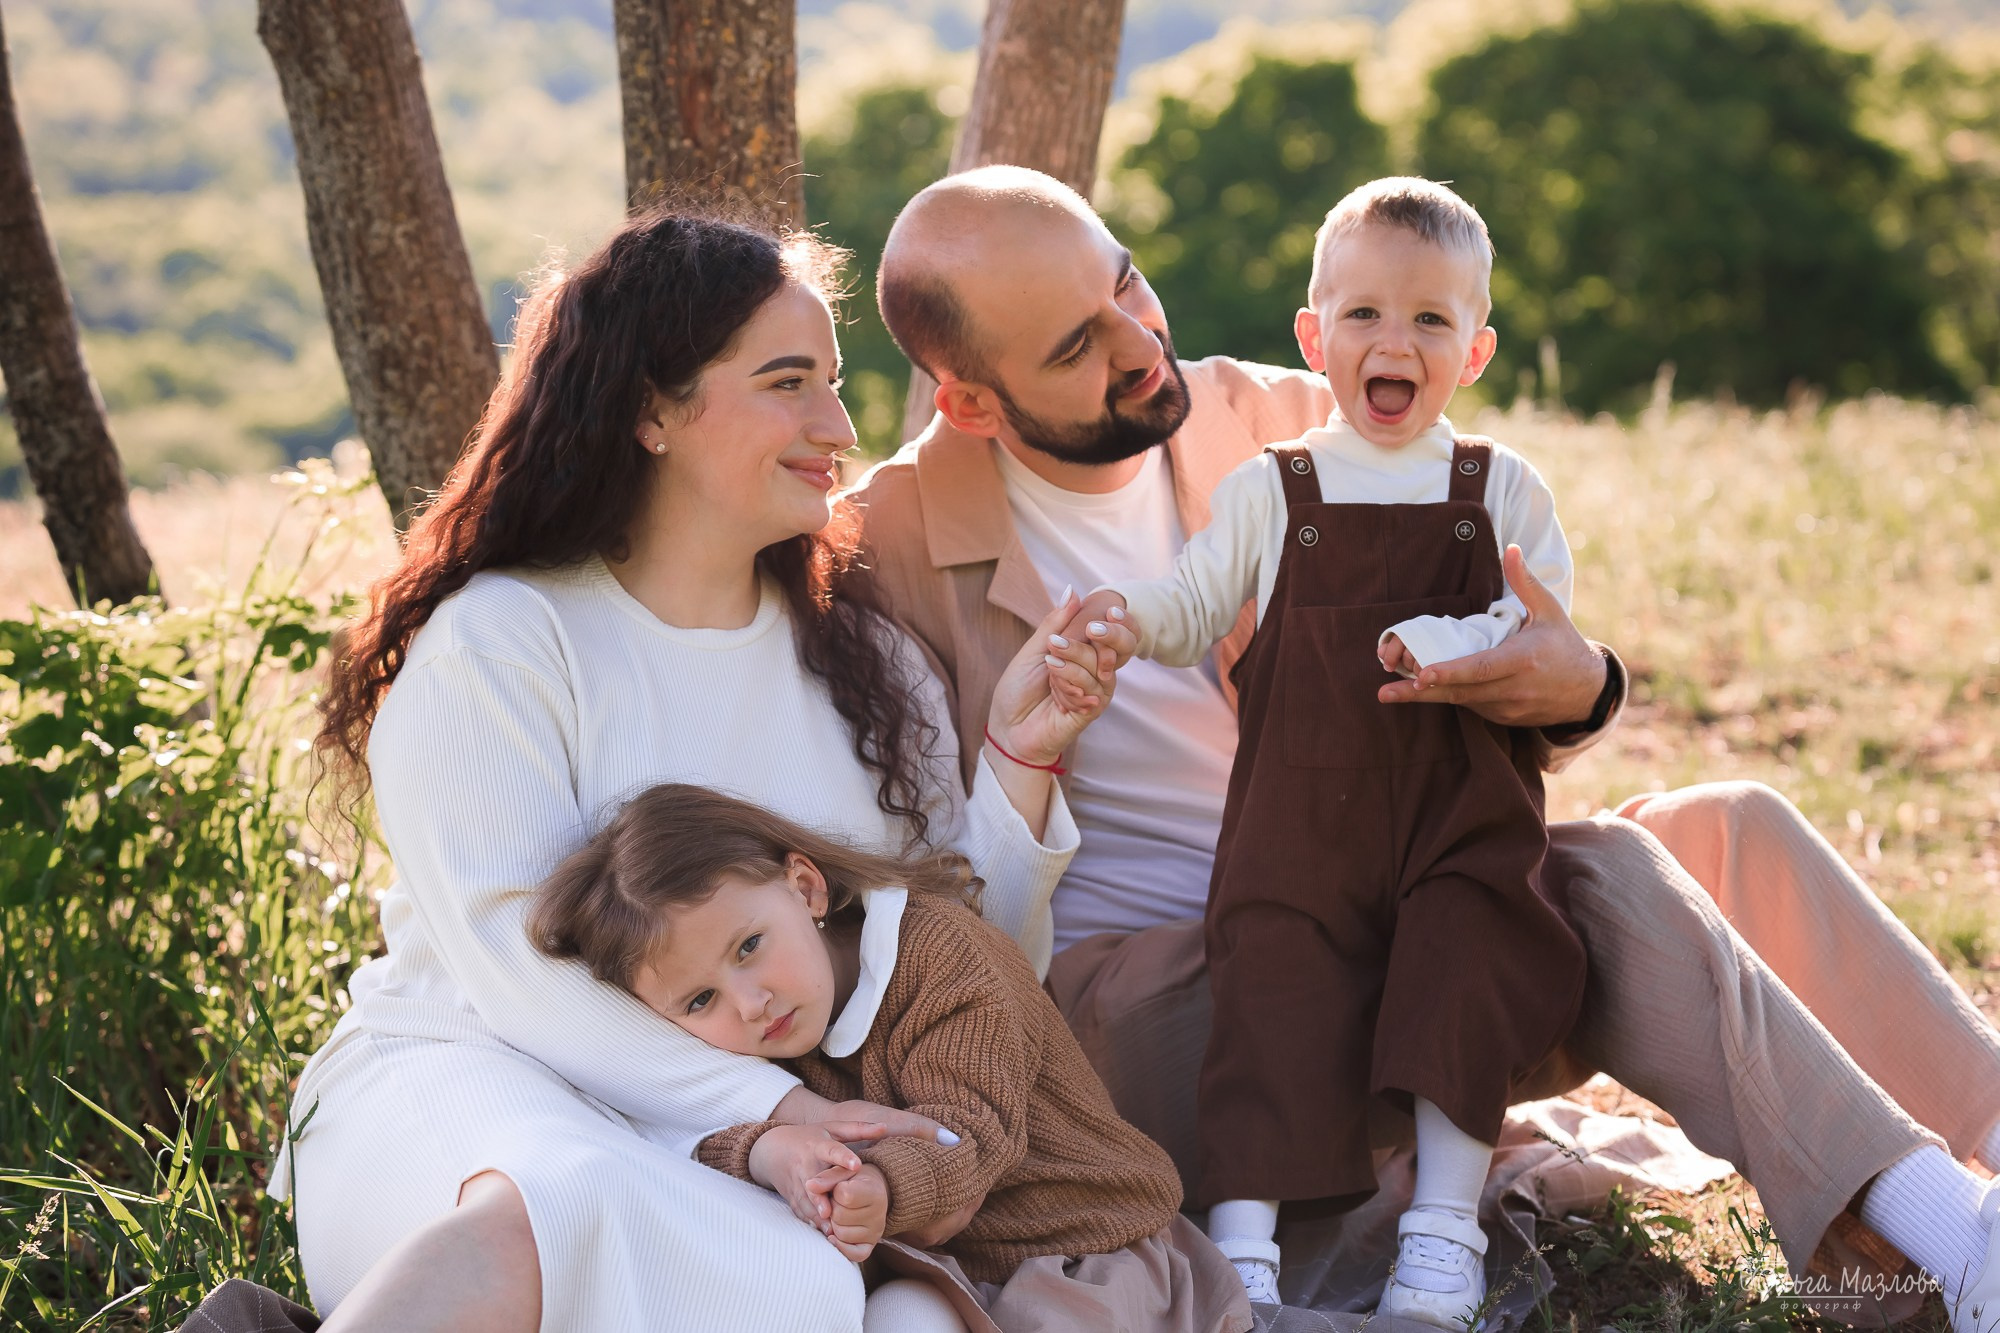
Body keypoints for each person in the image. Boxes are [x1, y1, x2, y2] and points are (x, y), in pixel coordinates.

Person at [849, 163, 2000, 1328]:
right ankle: (1949, 1241)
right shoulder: (882, 555)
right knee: (1598, 880)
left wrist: (1576, 684)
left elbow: (1485, 656)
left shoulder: (1280, 418)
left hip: (1382, 905)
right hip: (1162, 1011)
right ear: (972, 404)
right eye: (1074, 347)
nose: (1139, 341)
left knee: (1729, 825)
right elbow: (934, 914)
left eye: (1126, 284)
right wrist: (1024, 760)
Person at [275, 203, 1130, 1333]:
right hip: (471, 1080)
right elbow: (513, 973)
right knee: (564, 1201)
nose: (838, 424)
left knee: (813, 1290)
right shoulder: (506, 640)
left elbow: (964, 979)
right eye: (788, 382)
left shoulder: (868, 665)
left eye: (834, 382)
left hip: (751, 1138)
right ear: (651, 411)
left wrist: (1019, 758)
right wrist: (774, 1114)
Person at [1068, 177, 1587, 1324]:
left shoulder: (1500, 490)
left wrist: (1453, 638)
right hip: (1295, 829)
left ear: (1474, 351)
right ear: (1314, 338)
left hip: (1458, 816)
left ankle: (1440, 1232)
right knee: (1271, 1000)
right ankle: (1243, 1245)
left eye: (1429, 319)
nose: (1393, 342)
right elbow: (1190, 605)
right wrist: (1124, 620)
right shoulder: (1274, 487)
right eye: (1363, 314)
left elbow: (1536, 629)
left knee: (1462, 977)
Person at [528, 783, 1253, 1333]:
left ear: (806, 888)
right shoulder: (756, 1043)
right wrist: (767, 1150)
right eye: (699, 999)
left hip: (1084, 1246)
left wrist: (877, 1182)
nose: (748, 1004)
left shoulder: (943, 958)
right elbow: (689, 1141)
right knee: (900, 1315)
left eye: (748, 947)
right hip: (949, 1273)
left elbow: (970, 1133)